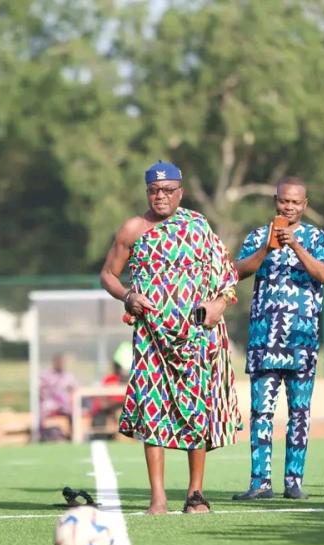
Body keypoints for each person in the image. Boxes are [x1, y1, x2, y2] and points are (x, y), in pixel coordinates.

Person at [99, 160, 241, 514]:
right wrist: (129, 296)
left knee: (198, 409)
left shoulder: (198, 225)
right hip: (152, 339)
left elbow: (226, 273)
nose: (160, 197)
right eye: (153, 190)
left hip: (197, 335)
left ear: (181, 192)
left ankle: (195, 494)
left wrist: (219, 303)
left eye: (167, 191)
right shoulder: (133, 228)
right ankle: (158, 497)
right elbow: (108, 276)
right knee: (153, 411)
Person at [230, 177, 324, 501]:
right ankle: (260, 483)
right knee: (261, 412)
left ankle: (293, 481)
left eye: (296, 202)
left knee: (299, 412)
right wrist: (267, 247)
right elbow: (237, 271)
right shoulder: (258, 235)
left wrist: (296, 245)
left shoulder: (316, 237)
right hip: (264, 338)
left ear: (305, 203)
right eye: (284, 201)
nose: (289, 207)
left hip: (302, 340)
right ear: (275, 200)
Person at [38, 354, 78, 441]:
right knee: (42, 411)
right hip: (49, 404)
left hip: (64, 405)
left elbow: (73, 389)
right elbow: (40, 390)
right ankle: (42, 435)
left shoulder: (68, 376)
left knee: (73, 412)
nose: (60, 364)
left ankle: (71, 435)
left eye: (62, 363)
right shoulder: (46, 376)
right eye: (58, 362)